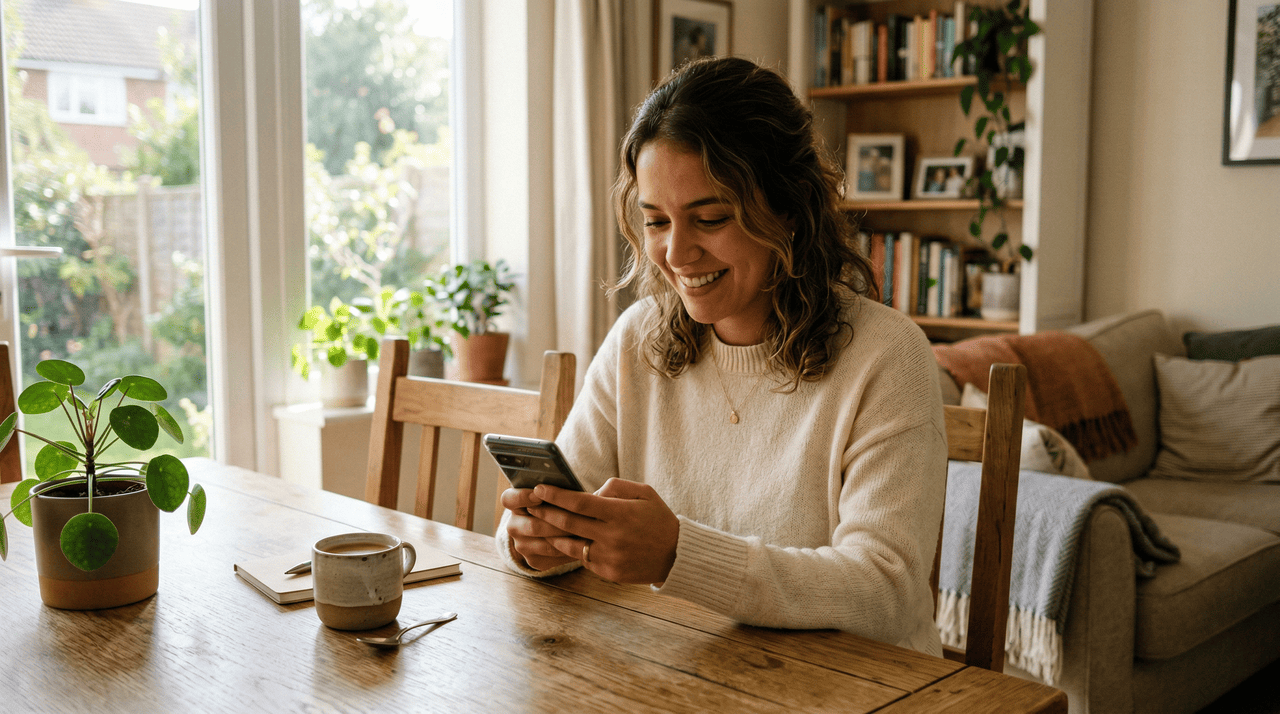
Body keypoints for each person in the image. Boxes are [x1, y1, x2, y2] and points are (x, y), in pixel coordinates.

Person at [496, 57, 947, 656]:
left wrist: (680, 554)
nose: (676, 252)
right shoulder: (639, 339)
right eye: (656, 221)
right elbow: (557, 508)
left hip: (860, 688)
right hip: (690, 672)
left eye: (710, 218)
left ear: (788, 210)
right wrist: (534, 539)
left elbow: (883, 590)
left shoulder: (887, 357)